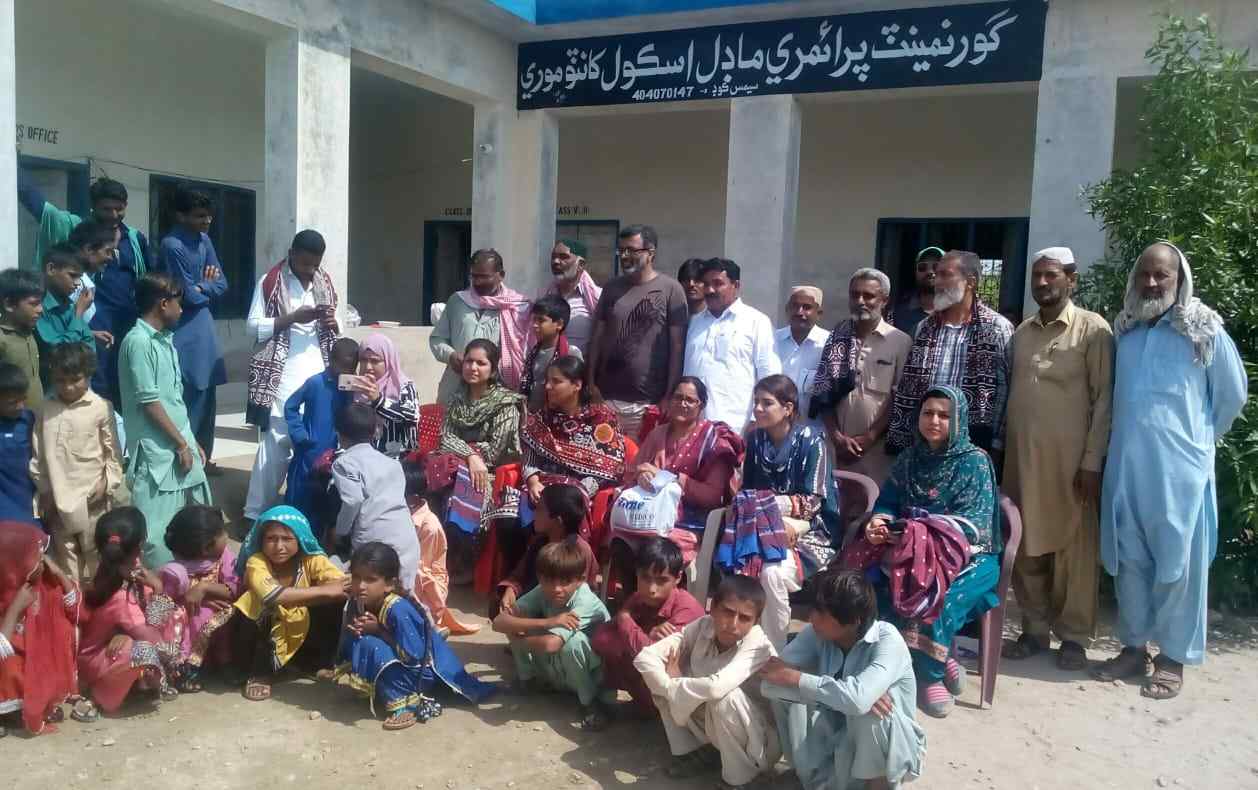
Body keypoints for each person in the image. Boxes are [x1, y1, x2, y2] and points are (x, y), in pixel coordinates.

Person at [1092, 242, 1246, 700]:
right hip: (1127, 469)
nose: (1152, 282)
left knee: (1180, 565)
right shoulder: (1126, 333)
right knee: (1129, 559)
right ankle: (1133, 648)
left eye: (1162, 275)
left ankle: (1173, 658)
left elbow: (1232, 395)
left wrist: (1197, 441)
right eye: (1145, 274)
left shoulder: (1202, 330)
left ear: (1180, 280)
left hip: (1181, 473)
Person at [1002, 248, 1114, 671]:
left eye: (1051, 275)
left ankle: (1074, 637)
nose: (1042, 283)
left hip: (1072, 467)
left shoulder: (1093, 330)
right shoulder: (1022, 333)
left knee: (1073, 551)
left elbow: (1104, 400)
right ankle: (1033, 630)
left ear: (1072, 279)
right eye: (1037, 276)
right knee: (1026, 544)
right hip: (1022, 461)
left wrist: (1092, 461)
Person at [863, 385, 1001, 717]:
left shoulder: (975, 462)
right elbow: (888, 501)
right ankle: (929, 658)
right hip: (911, 548)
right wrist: (880, 522)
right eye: (928, 413)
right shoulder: (909, 459)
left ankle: (929, 675)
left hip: (970, 555)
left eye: (944, 415)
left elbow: (974, 525)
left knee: (940, 594)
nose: (934, 421)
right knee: (872, 577)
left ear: (959, 420)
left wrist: (918, 533)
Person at [760, 569, 926, 790]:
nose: (812, 618)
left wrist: (800, 679)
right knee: (786, 693)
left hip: (893, 745)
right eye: (814, 609)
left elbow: (857, 701)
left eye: (822, 614)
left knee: (871, 712)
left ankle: (878, 785)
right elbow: (771, 682)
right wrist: (842, 694)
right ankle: (811, 775)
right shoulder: (816, 633)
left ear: (853, 621)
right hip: (836, 737)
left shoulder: (887, 640)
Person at [720, 375, 840, 649]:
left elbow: (813, 502)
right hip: (761, 527)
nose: (758, 409)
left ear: (788, 408)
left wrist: (770, 509)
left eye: (766, 403)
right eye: (756, 402)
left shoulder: (812, 441)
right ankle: (739, 642)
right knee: (740, 565)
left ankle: (774, 653)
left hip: (811, 531)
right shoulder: (756, 439)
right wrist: (768, 517)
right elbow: (747, 494)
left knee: (771, 574)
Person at [18, 173, 152, 415]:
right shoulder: (56, 296)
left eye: (119, 209)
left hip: (120, 331)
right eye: (106, 209)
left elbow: (147, 280)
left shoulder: (135, 239)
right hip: (84, 344)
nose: (113, 215)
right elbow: (58, 343)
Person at [634, 575, 780, 788]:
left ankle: (741, 778)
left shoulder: (758, 645)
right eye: (728, 612)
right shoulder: (703, 625)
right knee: (659, 676)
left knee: (724, 698)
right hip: (717, 723)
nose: (733, 625)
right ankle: (699, 752)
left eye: (745, 618)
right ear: (713, 609)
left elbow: (715, 687)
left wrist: (676, 684)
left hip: (760, 739)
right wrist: (669, 685)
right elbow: (645, 658)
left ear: (755, 622)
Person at [336, 542, 496, 730]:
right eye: (356, 577)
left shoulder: (398, 609)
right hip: (400, 663)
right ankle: (375, 689)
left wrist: (378, 631)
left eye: (370, 580)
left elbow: (415, 657)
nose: (361, 586)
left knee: (371, 644)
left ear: (389, 584)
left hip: (422, 672)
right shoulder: (358, 600)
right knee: (357, 639)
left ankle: (405, 706)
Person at [244, 230, 342, 524]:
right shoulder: (271, 281)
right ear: (291, 254)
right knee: (277, 444)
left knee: (315, 445)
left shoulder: (325, 282)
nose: (310, 270)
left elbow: (340, 326)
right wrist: (291, 318)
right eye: (305, 263)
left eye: (315, 264)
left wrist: (332, 322)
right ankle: (254, 514)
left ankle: (304, 510)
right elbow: (252, 327)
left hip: (319, 374)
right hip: (282, 373)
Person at [118, 272, 212, 569]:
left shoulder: (165, 341)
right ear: (163, 304)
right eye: (178, 303)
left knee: (199, 524)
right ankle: (163, 590)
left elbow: (174, 401)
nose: (181, 310)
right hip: (157, 456)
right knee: (156, 537)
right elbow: (149, 403)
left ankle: (191, 585)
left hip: (180, 447)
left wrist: (190, 441)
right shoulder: (138, 343)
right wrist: (181, 444)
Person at [886, 250, 1013, 459]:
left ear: (970, 282)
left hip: (973, 449)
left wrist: (996, 445)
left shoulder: (997, 328)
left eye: (946, 274)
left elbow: (1005, 391)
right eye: (937, 274)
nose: (937, 281)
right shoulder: (924, 328)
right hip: (923, 447)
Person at [492, 540, 615, 731]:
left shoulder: (586, 601)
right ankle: (529, 681)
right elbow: (499, 622)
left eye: (565, 582)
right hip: (564, 671)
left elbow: (551, 644)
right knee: (518, 623)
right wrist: (548, 622)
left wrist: (518, 641)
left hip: (593, 676)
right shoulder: (543, 590)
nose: (557, 589)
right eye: (549, 581)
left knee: (572, 643)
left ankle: (590, 703)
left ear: (581, 579)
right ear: (540, 578)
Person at [623, 377, 743, 569]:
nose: (682, 404)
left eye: (690, 400)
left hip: (691, 521)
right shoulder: (657, 434)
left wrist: (668, 478)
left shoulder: (714, 441)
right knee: (621, 540)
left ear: (701, 405)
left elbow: (713, 497)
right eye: (678, 397)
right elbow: (633, 473)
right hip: (650, 513)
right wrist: (642, 477)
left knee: (655, 546)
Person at [30, 344, 126, 580]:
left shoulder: (100, 407)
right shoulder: (44, 408)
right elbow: (38, 455)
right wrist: (45, 491)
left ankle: (99, 600)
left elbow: (113, 455)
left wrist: (106, 484)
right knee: (66, 564)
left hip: (93, 500)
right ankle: (74, 602)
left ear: (89, 375)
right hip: (57, 501)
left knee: (97, 559)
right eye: (61, 381)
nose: (68, 387)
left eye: (75, 380)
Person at [233, 505, 347, 702]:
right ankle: (259, 673)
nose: (279, 546)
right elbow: (272, 595)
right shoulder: (257, 561)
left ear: (300, 539)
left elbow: (343, 585)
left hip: (298, 625)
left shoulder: (311, 559)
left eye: (287, 539)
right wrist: (325, 590)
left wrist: (331, 591)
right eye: (271, 539)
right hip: (262, 630)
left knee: (335, 601)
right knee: (257, 602)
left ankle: (311, 664)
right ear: (261, 540)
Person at [78, 507, 186, 713]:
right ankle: (101, 695)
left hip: (111, 646)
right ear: (140, 546)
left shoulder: (114, 571)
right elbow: (152, 639)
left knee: (174, 613)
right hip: (95, 660)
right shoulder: (121, 595)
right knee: (144, 650)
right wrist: (158, 589)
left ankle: (142, 681)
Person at [810, 269, 912, 485]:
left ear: (884, 300)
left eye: (868, 296)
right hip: (834, 447)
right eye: (855, 295)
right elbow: (823, 392)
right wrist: (837, 437)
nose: (860, 301)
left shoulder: (900, 341)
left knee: (870, 503)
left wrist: (870, 437)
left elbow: (901, 399)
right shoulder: (837, 336)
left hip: (876, 452)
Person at [586, 225, 689, 440]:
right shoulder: (611, 288)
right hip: (606, 401)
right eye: (621, 250)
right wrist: (591, 384)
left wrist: (668, 396)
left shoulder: (671, 290)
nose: (624, 256)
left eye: (631, 250)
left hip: (647, 406)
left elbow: (677, 348)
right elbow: (596, 337)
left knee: (641, 461)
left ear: (651, 253)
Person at [436, 339, 523, 574]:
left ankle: (464, 559)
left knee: (465, 489)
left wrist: (464, 452)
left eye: (481, 363)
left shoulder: (505, 404)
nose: (473, 368)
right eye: (469, 361)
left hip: (492, 473)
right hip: (462, 466)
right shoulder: (457, 398)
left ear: (493, 370)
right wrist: (471, 456)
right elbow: (444, 437)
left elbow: (494, 452)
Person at [156, 188, 228, 473]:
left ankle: (204, 457)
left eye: (209, 216)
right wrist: (203, 285)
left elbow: (222, 284)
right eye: (199, 216)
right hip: (184, 326)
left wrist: (202, 285)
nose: (206, 221)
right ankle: (186, 457)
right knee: (189, 394)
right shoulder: (172, 245)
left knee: (208, 392)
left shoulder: (204, 240)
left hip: (203, 325)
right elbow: (187, 295)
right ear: (180, 215)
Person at [591, 536, 705, 715]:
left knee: (638, 655)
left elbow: (652, 660)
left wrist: (625, 618)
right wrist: (645, 634)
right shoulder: (639, 597)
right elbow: (600, 638)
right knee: (612, 647)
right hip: (651, 681)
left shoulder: (687, 610)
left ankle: (656, 710)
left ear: (677, 578)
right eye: (645, 578)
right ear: (636, 573)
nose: (652, 589)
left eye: (661, 580)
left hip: (684, 694)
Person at [0, 521, 84, 735]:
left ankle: (35, 705)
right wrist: (15, 608)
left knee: (65, 631)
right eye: (36, 555)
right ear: (15, 561)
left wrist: (59, 574)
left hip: (35, 663)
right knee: (10, 663)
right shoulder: (11, 592)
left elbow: (74, 609)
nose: (42, 560)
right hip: (10, 670)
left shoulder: (41, 584)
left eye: (43, 554)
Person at [331, 403, 421, 595]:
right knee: (402, 596)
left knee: (367, 597)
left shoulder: (344, 463)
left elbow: (352, 500)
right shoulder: (393, 464)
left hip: (374, 540)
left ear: (339, 434)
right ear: (374, 433)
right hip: (405, 538)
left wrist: (340, 532)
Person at [683, 258, 781, 432]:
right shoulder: (695, 323)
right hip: (692, 427)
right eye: (706, 284)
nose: (710, 290)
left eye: (717, 283)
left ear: (736, 285)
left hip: (737, 427)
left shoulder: (756, 322)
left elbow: (770, 375)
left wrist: (756, 420)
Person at [521, 356, 624, 509]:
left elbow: (608, 471)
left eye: (556, 381)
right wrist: (533, 482)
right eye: (547, 380)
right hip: (541, 488)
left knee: (557, 513)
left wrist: (575, 493)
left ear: (577, 385)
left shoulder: (602, 421)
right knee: (507, 513)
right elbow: (530, 458)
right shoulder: (543, 418)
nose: (548, 386)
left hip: (576, 496)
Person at [430, 248, 531, 403]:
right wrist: (451, 356)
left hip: (498, 391)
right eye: (474, 276)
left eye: (484, 277)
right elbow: (437, 339)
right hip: (456, 387)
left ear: (501, 275)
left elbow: (525, 350)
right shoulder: (457, 301)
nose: (478, 282)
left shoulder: (517, 307)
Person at [158, 505, 239, 692]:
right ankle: (187, 668)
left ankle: (225, 662)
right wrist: (194, 598)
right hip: (191, 617)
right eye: (222, 533)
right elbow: (168, 595)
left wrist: (204, 587)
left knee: (212, 616)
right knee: (185, 615)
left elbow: (235, 589)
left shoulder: (225, 558)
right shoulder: (179, 565)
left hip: (222, 615)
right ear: (206, 547)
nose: (227, 536)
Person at [494, 482, 599, 620]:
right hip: (539, 603)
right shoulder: (539, 542)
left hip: (563, 614)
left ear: (557, 520)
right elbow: (519, 575)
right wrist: (511, 589)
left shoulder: (579, 550)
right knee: (498, 606)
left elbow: (573, 595)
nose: (534, 513)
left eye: (539, 509)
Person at [401, 460, 480, 635]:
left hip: (428, 584)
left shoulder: (430, 527)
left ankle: (429, 624)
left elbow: (422, 570)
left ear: (413, 498)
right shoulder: (402, 515)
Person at [283, 337, 357, 519]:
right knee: (300, 495)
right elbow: (290, 406)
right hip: (310, 450)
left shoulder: (350, 387)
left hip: (336, 454)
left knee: (325, 500)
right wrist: (300, 434)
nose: (345, 372)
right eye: (342, 366)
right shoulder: (315, 383)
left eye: (350, 368)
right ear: (330, 359)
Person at [345, 333, 418, 457]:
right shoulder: (357, 388)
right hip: (363, 459)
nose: (368, 367)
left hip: (398, 459)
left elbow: (411, 416)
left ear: (388, 361)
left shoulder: (404, 386)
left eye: (375, 361)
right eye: (363, 360)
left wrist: (378, 400)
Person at [34, 244, 93, 388]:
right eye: (72, 275)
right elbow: (61, 351)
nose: (77, 283)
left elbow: (87, 344)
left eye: (80, 277)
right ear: (51, 269)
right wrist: (78, 314)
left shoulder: (69, 304)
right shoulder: (38, 307)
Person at [773, 286, 829, 428]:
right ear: (787, 309)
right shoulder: (772, 340)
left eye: (807, 307)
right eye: (795, 306)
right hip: (775, 429)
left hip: (814, 430)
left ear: (819, 313)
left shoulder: (829, 345)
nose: (799, 312)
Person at [519, 295, 583, 412]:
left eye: (541, 320)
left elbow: (577, 392)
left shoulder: (571, 353)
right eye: (534, 320)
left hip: (558, 415)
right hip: (532, 414)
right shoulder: (532, 352)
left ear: (559, 324)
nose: (534, 325)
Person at [543, 238, 602, 352]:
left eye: (563, 257)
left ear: (581, 264)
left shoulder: (598, 298)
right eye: (553, 257)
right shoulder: (544, 295)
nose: (556, 261)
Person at [0, 269, 45, 405]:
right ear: (9, 305)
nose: (41, 309)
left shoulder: (29, 331)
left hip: (36, 414)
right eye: (34, 303)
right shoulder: (2, 339)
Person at [0, 364, 37, 527]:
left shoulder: (30, 421)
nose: (20, 406)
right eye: (12, 402)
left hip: (30, 501)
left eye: (23, 399)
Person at [892, 246, 940, 335]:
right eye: (922, 267)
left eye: (936, 267)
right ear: (915, 273)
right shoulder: (898, 313)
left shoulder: (958, 312)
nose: (929, 272)